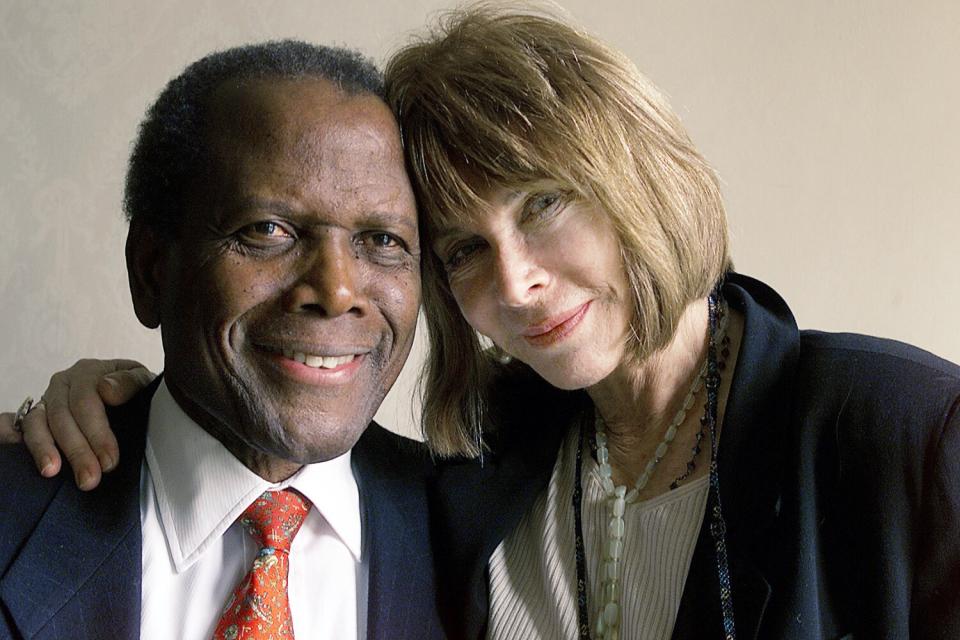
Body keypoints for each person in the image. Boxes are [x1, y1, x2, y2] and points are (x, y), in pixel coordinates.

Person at [5, 6, 960, 640]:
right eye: (460, 246)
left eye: (546, 203)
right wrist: (118, 394)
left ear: (640, 177)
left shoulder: (901, 427)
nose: (518, 279)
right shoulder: (483, 476)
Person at [0, 41, 445, 639]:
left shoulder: (478, 532)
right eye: (269, 231)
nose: (338, 291)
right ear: (153, 269)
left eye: (384, 241)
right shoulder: (15, 512)